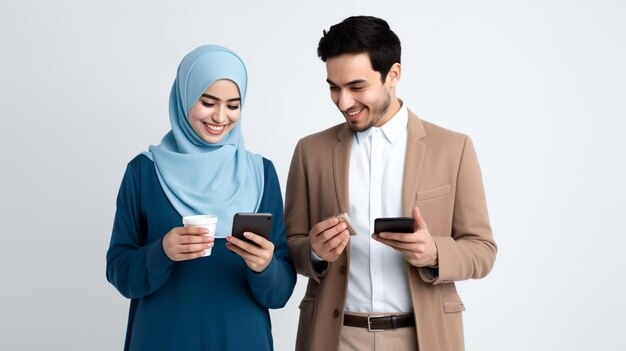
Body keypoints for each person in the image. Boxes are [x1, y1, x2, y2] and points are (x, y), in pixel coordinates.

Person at [284, 16, 497, 351]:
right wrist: (313, 251)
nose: (343, 102)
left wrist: (434, 252)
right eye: (333, 88)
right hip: (335, 336)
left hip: (423, 336)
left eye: (356, 87)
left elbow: (483, 251)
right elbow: (291, 245)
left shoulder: (453, 149)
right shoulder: (310, 151)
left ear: (393, 75)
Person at [106, 45, 296, 351]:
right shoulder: (144, 171)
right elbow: (120, 272)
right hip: (163, 339)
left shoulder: (261, 173)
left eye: (233, 106)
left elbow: (280, 292)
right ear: (184, 97)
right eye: (208, 102)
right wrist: (162, 251)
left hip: (242, 341)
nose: (220, 117)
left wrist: (265, 266)